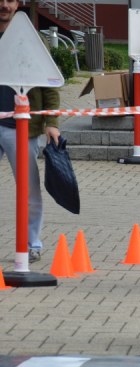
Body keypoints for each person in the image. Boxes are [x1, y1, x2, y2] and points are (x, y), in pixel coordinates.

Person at [0, 0, 60, 264]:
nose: (4, 5)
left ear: (18, 4)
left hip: (23, 128)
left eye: (10, 0)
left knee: (29, 191)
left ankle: (32, 243)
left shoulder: (32, 39)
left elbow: (49, 85)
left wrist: (52, 121)